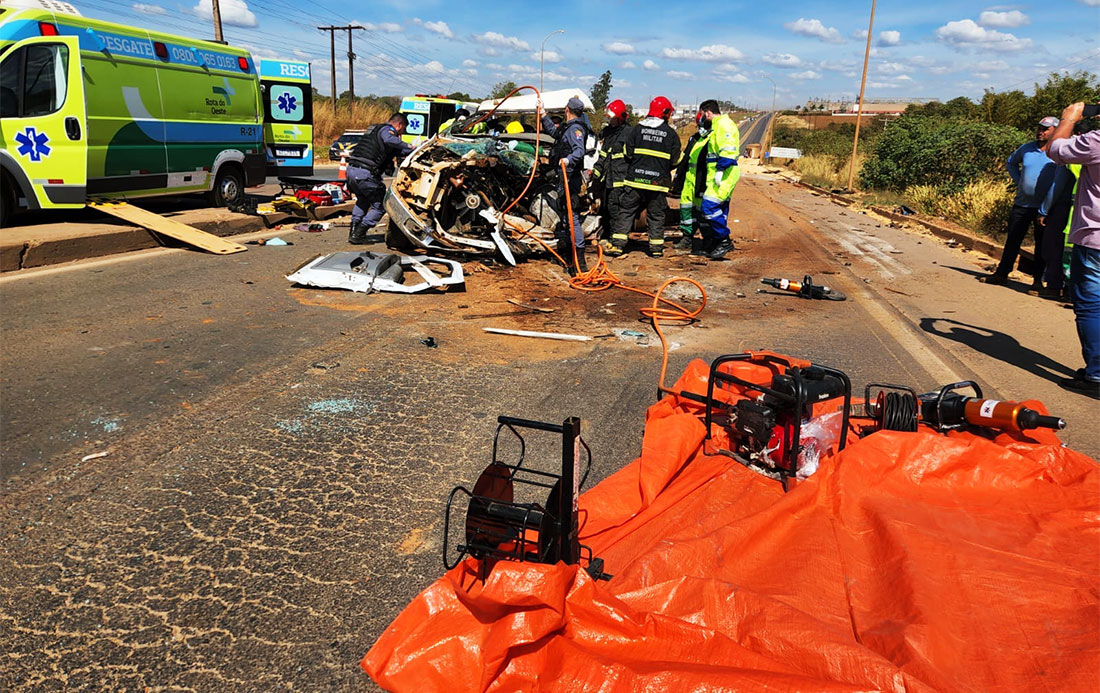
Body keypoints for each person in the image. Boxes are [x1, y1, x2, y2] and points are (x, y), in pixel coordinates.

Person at [1044, 102, 1100, 398]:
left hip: (1095, 240)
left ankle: (1096, 375)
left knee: (1091, 306)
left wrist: (1069, 118)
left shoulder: (1096, 142)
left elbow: (1055, 150)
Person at [980, 117, 1059, 286]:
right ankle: (1001, 274)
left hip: (1045, 208)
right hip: (1022, 204)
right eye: (1039, 128)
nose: (1040, 132)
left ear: (1055, 131)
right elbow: (1011, 163)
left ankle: (1037, 281)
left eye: (1045, 129)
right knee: (1013, 240)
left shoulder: (1058, 151)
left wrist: (1047, 207)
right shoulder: (1027, 148)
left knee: (1042, 245)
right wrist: (1020, 180)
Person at [612, 96, 681, 258]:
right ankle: (656, 248)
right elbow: (676, 160)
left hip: (634, 181)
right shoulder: (670, 134)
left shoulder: (636, 130)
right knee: (656, 215)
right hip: (658, 183)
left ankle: (617, 246)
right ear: (665, 112)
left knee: (626, 211)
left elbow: (627, 154)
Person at [345, 113, 413, 244]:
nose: (401, 133)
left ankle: (353, 232)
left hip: (352, 171)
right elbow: (389, 139)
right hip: (365, 174)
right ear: (399, 125)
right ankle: (360, 231)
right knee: (381, 205)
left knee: (362, 200)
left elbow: (397, 151)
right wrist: (410, 146)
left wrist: (416, 149)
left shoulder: (374, 131)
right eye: (403, 129)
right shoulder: (387, 131)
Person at [540, 96, 591, 274]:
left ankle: (579, 261)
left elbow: (579, 151)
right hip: (564, 178)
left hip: (571, 179)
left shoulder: (576, 128)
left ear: (567, 109)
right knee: (566, 216)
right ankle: (570, 257)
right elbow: (555, 134)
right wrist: (543, 114)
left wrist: (568, 160)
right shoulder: (567, 128)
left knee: (572, 217)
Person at [698, 99, 741, 259]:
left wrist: (721, 170)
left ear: (708, 112)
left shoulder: (724, 125)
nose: (702, 118)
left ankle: (724, 240)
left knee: (708, 207)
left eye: (703, 114)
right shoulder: (716, 127)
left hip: (725, 173)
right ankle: (717, 243)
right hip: (719, 174)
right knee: (720, 211)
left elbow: (728, 150)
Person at [592, 99, 633, 255]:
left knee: (617, 210)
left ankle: (616, 243)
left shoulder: (629, 133)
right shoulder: (608, 133)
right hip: (609, 179)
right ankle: (609, 237)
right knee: (608, 208)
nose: (611, 121)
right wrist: (595, 172)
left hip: (621, 180)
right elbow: (603, 156)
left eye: (613, 118)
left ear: (621, 117)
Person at [671, 112, 712, 255]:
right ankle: (687, 238)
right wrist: (677, 181)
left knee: (704, 213)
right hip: (689, 182)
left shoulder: (711, 139)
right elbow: (685, 159)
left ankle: (707, 241)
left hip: (703, 182)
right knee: (686, 211)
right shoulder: (694, 138)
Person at [1037, 162, 1077, 299]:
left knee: (1053, 248)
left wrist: (1044, 210)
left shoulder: (1068, 158)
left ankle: (1053, 286)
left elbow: (1057, 186)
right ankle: (1069, 290)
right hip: (1083, 211)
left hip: (1062, 208)